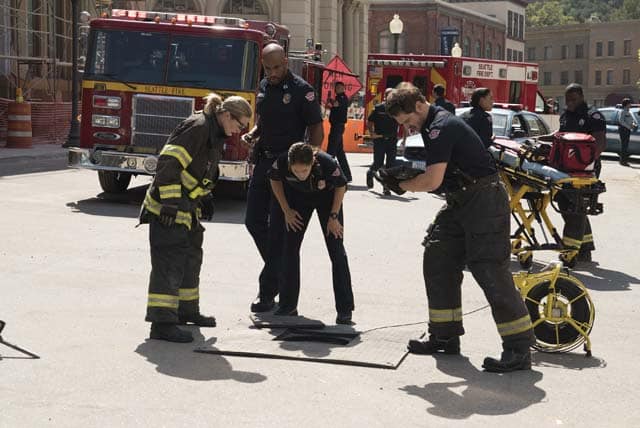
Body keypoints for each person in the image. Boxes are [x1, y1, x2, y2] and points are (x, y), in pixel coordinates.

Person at [383, 82, 535, 372]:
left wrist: (403, 185)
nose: (407, 127)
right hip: (461, 198)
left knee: (489, 267)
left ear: (419, 105)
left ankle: (519, 348)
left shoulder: (440, 126)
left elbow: (432, 181)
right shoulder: (430, 125)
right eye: (402, 124)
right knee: (438, 257)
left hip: (483, 199)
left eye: (408, 120)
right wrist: (404, 176)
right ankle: (444, 336)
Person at [140, 93, 253, 343]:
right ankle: (162, 323)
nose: (239, 131)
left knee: (190, 260)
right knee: (169, 264)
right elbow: (168, 163)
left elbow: (200, 168)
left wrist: (205, 196)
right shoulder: (198, 127)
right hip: (168, 209)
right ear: (226, 115)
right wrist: (169, 204)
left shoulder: (214, 131)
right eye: (239, 124)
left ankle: (186, 311)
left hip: (188, 207)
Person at [242, 43, 324, 313]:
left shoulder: (302, 91)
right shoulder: (264, 86)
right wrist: (253, 133)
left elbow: (316, 128)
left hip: (288, 166)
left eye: (277, 67)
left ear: (286, 62)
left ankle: (267, 292)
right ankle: (279, 270)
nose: (273, 73)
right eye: (268, 68)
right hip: (264, 161)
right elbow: (264, 121)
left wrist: (310, 161)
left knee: (278, 230)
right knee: (253, 222)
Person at [269, 143, 354, 323]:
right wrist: (286, 210)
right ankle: (288, 305)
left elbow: (341, 185)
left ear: (313, 162)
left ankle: (345, 309)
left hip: (328, 199)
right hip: (298, 200)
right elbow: (274, 180)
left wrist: (334, 216)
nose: (301, 175)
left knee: (336, 251)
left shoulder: (327, 162)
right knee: (289, 249)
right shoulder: (282, 161)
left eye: (305, 170)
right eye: (296, 171)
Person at [557, 83, 606, 263]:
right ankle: (585, 247)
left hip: (585, 169)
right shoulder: (566, 116)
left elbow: (600, 143)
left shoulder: (593, 116)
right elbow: (561, 137)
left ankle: (572, 250)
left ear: (582, 97)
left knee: (575, 208)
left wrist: (586, 166)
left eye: (573, 99)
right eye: (567, 100)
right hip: (566, 168)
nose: (570, 103)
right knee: (567, 205)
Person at [366, 88, 398, 195]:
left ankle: (386, 187)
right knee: (378, 163)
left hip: (392, 140)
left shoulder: (397, 109)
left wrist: (405, 137)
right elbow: (370, 121)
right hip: (380, 140)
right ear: (385, 96)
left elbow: (404, 122)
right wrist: (372, 133)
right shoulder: (378, 108)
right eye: (391, 95)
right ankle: (370, 173)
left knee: (390, 165)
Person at [326, 81, 353, 182]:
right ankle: (347, 175)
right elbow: (333, 107)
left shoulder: (342, 97)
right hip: (336, 126)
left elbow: (336, 104)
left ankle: (328, 173)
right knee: (339, 152)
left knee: (331, 151)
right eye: (336, 88)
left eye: (340, 87)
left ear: (343, 88)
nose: (337, 89)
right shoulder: (338, 97)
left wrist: (330, 100)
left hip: (337, 127)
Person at [617, 98, 638, 166]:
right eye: (629, 103)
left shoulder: (629, 112)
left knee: (625, 146)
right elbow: (621, 121)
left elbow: (631, 120)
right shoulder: (622, 111)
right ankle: (623, 161)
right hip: (623, 130)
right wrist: (629, 127)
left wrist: (633, 124)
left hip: (627, 130)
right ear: (626, 104)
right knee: (624, 146)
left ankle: (624, 160)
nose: (630, 104)